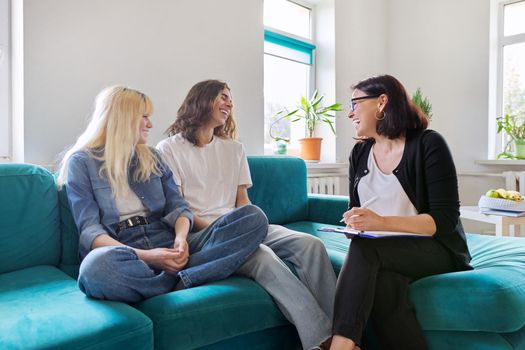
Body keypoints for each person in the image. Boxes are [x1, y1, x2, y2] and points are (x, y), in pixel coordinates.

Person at [156, 80, 337, 350]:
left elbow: (243, 203)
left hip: (242, 224)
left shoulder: (234, 148)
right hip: (202, 232)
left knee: (310, 244)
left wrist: (248, 226)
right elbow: (180, 208)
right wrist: (232, 229)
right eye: (223, 97)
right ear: (202, 100)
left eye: (231, 99)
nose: (229, 103)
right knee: (262, 256)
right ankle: (322, 341)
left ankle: (342, 331)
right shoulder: (169, 148)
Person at [56, 86, 268, 303]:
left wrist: (180, 239)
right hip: (125, 251)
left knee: (253, 217)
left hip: (166, 239)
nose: (151, 124)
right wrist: (150, 257)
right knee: (95, 269)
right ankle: (186, 277)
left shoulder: (152, 157)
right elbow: (90, 232)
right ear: (124, 118)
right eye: (145, 117)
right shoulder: (81, 163)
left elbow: (178, 207)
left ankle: (181, 279)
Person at [330, 75, 472, 350]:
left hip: (436, 248)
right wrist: (356, 221)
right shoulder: (359, 154)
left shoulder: (429, 144)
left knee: (366, 250)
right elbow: (356, 208)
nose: (350, 113)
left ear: (381, 102)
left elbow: (444, 220)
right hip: (386, 248)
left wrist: (380, 222)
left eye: (355, 103)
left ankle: (340, 346)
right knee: (385, 284)